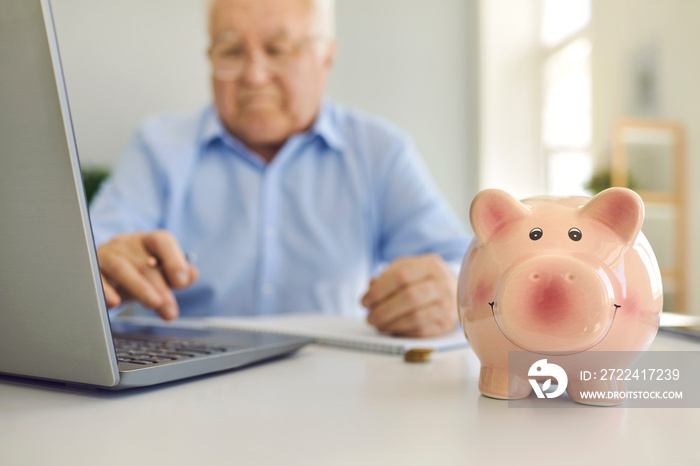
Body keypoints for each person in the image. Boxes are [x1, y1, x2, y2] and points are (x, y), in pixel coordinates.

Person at [90, 0, 470, 337]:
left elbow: (465, 268)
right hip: (178, 388)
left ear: (326, 57)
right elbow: (85, 267)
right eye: (231, 50)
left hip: (335, 388)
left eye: (278, 49)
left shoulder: (380, 152)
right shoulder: (157, 146)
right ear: (209, 57)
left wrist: (449, 290)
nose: (254, 76)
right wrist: (103, 266)